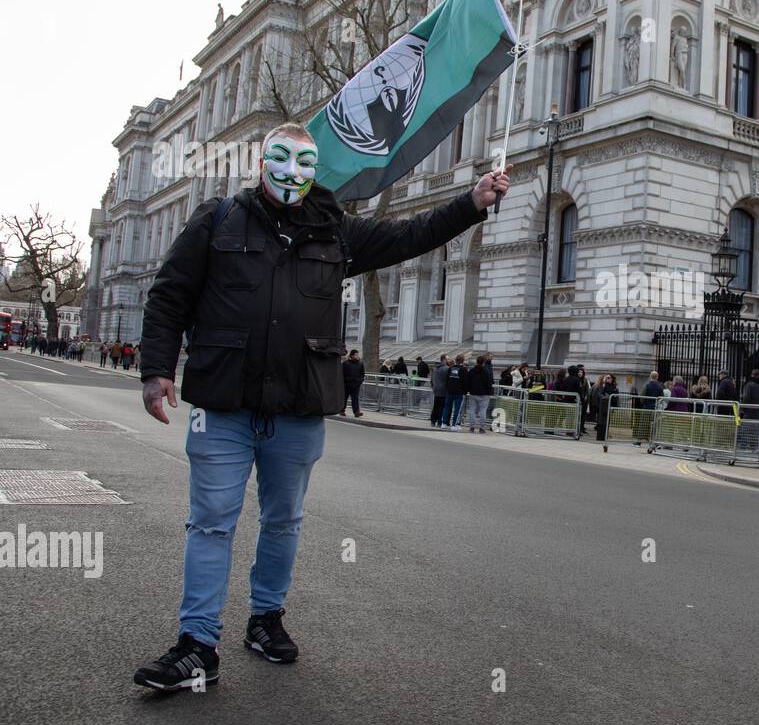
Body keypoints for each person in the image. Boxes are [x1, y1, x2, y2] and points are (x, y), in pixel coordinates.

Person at [132, 119, 509, 691]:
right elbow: (170, 294)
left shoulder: (337, 232)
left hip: (298, 406)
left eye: (304, 164)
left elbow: (408, 236)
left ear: (316, 171)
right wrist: (157, 368)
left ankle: (265, 619)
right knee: (210, 524)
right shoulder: (215, 220)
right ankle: (197, 644)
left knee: (283, 521)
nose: (291, 174)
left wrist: (471, 203)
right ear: (261, 162)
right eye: (280, 161)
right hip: (224, 404)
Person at [464, 355, 493, 432]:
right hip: (484, 393)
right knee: (483, 411)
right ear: (484, 362)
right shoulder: (487, 371)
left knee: (472, 410)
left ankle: (472, 427)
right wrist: (489, 391)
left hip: (473, 392)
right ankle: (482, 428)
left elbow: (468, 382)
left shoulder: (472, 371)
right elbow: (489, 382)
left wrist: (468, 390)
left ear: (477, 361)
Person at [442, 354, 467, 430]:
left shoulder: (451, 368)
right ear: (462, 361)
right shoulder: (463, 369)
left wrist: (447, 388)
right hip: (459, 392)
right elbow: (465, 382)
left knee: (447, 407)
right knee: (457, 409)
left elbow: (447, 380)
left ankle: (444, 423)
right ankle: (454, 425)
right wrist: (465, 391)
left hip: (449, 391)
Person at [341, 349, 365, 417]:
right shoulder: (345, 363)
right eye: (356, 355)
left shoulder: (360, 364)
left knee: (355, 399)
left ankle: (356, 412)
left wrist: (360, 381)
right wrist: (345, 381)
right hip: (347, 384)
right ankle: (342, 410)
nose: (357, 356)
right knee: (344, 398)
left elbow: (362, 374)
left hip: (356, 384)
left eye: (358, 354)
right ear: (352, 355)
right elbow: (341, 374)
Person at [595, 374, 619, 441]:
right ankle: (602, 435)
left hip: (610, 405)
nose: (607, 379)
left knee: (607, 420)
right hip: (603, 406)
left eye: (609, 378)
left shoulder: (614, 387)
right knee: (602, 421)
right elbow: (600, 394)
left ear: (612, 379)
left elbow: (616, 396)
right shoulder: (603, 385)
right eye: (607, 377)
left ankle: (606, 434)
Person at [430, 354, 450, 428]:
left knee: (435, 406)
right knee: (442, 407)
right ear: (444, 359)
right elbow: (448, 380)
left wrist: (434, 386)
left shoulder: (435, 368)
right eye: (448, 359)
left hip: (436, 389)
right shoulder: (447, 369)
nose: (449, 360)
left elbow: (432, 379)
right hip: (444, 390)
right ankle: (439, 421)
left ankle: (433, 421)